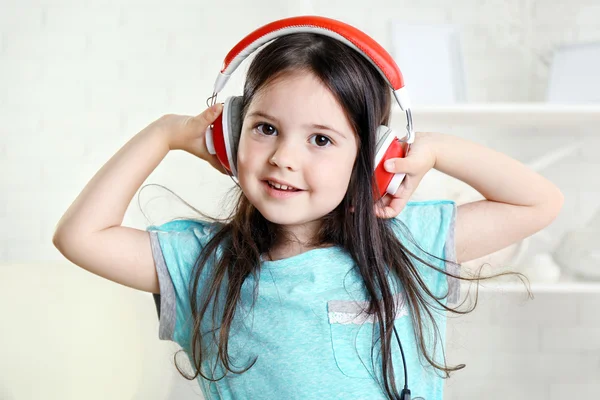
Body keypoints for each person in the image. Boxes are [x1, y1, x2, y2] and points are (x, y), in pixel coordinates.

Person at [52, 19, 564, 400]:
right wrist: (163, 134)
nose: (283, 158)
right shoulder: (201, 264)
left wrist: (433, 148)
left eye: (321, 138)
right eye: (265, 128)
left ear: (374, 158)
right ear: (228, 137)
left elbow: (540, 201)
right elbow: (81, 236)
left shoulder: (408, 240)